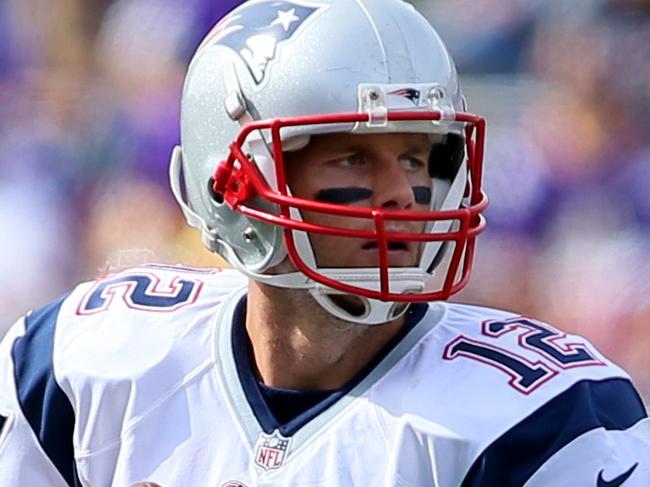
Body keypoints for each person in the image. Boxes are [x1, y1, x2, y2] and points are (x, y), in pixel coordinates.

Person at [0, 0, 648, 485]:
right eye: (353, 158)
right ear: (231, 187)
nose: (402, 193)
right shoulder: (85, 367)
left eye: (419, 158)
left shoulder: (541, 418)